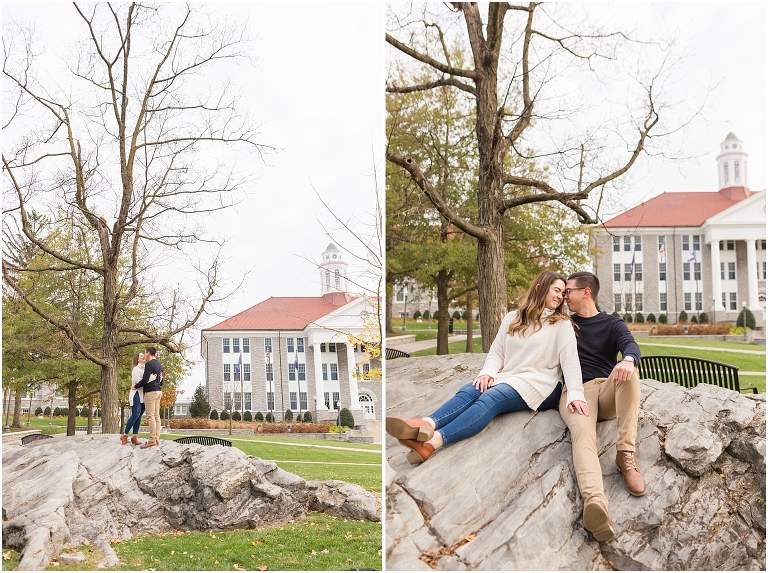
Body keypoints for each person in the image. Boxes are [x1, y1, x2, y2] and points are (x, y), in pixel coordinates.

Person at [386, 270, 587, 464]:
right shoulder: (512, 318)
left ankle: (431, 443)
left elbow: (570, 361)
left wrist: (576, 394)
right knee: (470, 389)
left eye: (563, 293)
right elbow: (497, 352)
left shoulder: (561, 324)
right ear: (540, 288)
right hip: (511, 377)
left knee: (491, 397)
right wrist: (487, 373)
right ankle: (426, 424)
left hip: (543, 384)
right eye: (557, 290)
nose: (561, 297)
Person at [561, 271, 645, 542]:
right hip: (575, 392)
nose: (564, 297)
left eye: (568, 291)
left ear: (586, 292)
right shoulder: (563, 324)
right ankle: (596, 503)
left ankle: (626, 455)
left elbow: (630, 345)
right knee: (584, 435)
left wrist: (628, 359)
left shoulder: (612, 324)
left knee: (629, 372)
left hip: (607, 389)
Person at [120, 352, 155, 446]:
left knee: (139, 417)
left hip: (144, 395)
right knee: (135, 414)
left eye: (144, 355)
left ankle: (135, 436)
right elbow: (140, 382)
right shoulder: (136, 369)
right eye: (141, 356)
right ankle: (124, 435)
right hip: (136, 394)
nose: (144, 356)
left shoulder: (146, 369)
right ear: (137, 359)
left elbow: (146, 381)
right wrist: (150, 379)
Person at [134, 346, 164, 449]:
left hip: (151, 392)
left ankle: (152, 440)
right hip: (159, 391)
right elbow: (162, 381)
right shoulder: (160, 365)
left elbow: (145, 380)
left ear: (148, 353)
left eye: (145, 353)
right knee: (157, 416)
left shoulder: (149, 365)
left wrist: (136, 386)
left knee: (150, 416)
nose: (144, 355)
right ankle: (156, 438)